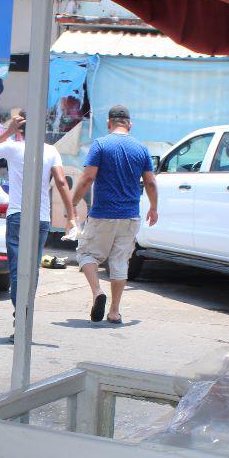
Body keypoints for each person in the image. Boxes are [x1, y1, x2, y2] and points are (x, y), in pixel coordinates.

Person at [70, 105, 158, 323]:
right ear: (129, 124)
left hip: (103, 213)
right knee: (119, 261)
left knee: (86, 254)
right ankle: (115, 311)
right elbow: (150, 182)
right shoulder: (141, 148)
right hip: (130, 215)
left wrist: (72, 202)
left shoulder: (100, 144)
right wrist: (154, 207)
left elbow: (88, 177)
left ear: (109, 123)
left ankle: (97, 292)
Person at [0, 110, 75, 310]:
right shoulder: (51, 151)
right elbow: (61, 182)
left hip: (18, 215)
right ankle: (26, 313)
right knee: (32, 269)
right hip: (41, 218)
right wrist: (71, 215)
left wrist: (8, 130)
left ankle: (20, 317)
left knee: (18, 270)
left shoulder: (12, 147)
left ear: (21, 129)